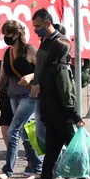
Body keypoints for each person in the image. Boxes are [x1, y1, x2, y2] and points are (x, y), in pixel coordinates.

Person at [37, 39, 90, 179]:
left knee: (51, 155)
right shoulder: (62, 69)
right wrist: (76, 117)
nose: (71, 54)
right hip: (63, 118)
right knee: (80, 152)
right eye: (69, 51)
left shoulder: (46, 70)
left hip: (50, 118)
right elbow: (67, 96)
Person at [0, 20, 43, 179]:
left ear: (17, 34)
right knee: (25, 134)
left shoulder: (29, 50)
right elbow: (3, 75)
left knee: (13, 131)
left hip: (29, 96)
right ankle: (38, 168)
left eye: (8, 34)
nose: (6, 37)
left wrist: (30, 76)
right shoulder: (7, 53)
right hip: (13, 95)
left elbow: (42, 70)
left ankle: (7, 171)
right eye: (4, 34)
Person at [30, 8, 67, 150]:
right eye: (34, 27)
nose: (35, 30)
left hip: (52, 94)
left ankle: (62, 161)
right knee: (41, 133)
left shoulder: (59, 42)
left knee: (48, 133)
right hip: (41, 94)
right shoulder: (44, 40)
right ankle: (57, 164)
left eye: (38, 26)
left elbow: (57, 70)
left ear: (48, 23)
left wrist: (40, 85)